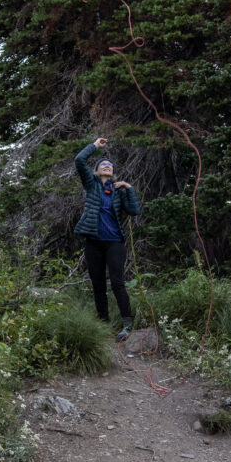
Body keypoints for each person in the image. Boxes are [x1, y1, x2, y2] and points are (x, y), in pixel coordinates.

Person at [74, 136, 141, 341]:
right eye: (103, 164)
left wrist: (129, 188)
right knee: (98, 284)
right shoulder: (91, 184)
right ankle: (103, 324)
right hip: (93, 242)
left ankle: (127, 324)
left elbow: (134, 210)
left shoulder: (118, 191)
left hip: (114, 243)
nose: (106, 166)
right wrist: (95, 145)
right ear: (96, 170)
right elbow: (79, 160)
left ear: (113, 172)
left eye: (110, 165)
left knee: (118, 282)